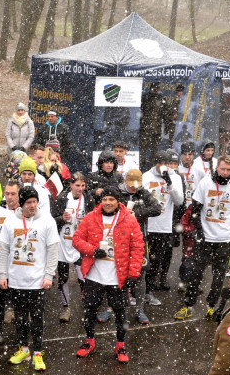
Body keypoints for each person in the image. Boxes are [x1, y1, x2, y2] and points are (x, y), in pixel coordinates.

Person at [175, 156, 230, 322]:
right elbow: (195, 209)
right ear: (217, 168)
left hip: (226, 240)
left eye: (228, 170)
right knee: (196, 273)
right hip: (206, 239)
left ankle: (211, 307)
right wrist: (199, 230)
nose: (225, 173)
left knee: (218, 276)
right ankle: (188, 305)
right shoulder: (206, 183)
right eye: (223, 169)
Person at [71, 187, 145, 362]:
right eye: (105, 199)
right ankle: (89, 342)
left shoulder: (129, 220)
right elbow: (76, 239)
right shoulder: (91, 217)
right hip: (94, 275)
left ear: (118, 201)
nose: (108, 203)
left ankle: (120, 345)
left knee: (120, 313)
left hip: (117, 276)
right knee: (90, 311)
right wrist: (92, 250)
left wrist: (134, 273)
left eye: (111, 199)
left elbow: (137, 247)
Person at [0, 186, 59, 372]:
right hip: (16, 279)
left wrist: (49, 275)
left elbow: (53, 250)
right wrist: (2, 274)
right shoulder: (10, 221)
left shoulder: (47, 221)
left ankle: (38, 352)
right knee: (21, 317)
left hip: (37, 281)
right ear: (21, 204)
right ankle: (24, 349)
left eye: (34, 202)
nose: (32, 206)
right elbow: (4, 249)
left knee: (37, 317)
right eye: (28, 203)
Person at [121, 169, 163, 323]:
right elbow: (105, 208)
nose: (133, 188)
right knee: (116, 274)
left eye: (136, 185)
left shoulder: (144, 193)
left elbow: (157, 208)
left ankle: (140, 309)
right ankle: (112, 308)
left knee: (140, 274)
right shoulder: (118, 192)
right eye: (131, 185)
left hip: (140, 239)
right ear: (125, 180)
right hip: (120, 240)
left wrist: (137, 213)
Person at [142, 152, 185, 299]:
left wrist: (169, 182)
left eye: (165, 163)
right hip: (147, 225)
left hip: (164, 226)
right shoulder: (146, 176)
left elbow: (179, 201)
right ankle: (138, 290)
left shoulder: (175, 177)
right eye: (160, 163)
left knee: (156, 260)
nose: (163, 166)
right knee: (142, 260)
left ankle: (149, 290)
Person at [51, 172, 89, 323]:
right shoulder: (62, 199)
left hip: (79, 244)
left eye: (82, 185)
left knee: (83, 277)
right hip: (63, 243)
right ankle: (66, 307)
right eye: (77, 185)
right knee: (63, 277)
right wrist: (61, 218)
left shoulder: (88, 199)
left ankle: (87, 304)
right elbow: (51, 220)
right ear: (71, 185)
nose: (80, 188)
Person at [0, 181, 20, 339]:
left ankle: (20, 336)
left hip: (16, 266)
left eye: (13, 194)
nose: (9, 197)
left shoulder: (22, 213)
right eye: (7, 193)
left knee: (19, 304)